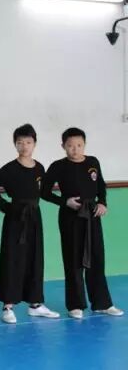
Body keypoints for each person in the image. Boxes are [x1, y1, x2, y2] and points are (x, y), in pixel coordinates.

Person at [41, 128, 123, 319]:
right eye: (70, 145)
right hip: (70, 216)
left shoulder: (93, 162)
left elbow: (100, 185)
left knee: (96, 257)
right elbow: (44, 192)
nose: (75, 149)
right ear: (63, 146)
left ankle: (102, 303)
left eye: (79, 145)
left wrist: (102, 203)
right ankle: (75, 305)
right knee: (73, 259)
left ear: (84, 145)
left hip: (92, 215)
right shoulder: (58, 166)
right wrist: (65, 202)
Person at [0, 124, 59, 323]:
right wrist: (6, 207)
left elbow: (44, 192)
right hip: (15, 219)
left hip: (34, 217)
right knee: (12, 259)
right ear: (15, 145)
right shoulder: (9, 168)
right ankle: (7, 306)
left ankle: (35, 304)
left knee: (35, 258)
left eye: (28, 142)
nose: (24, 146)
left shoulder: (40, 168)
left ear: (34, 144)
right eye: (20, 142)